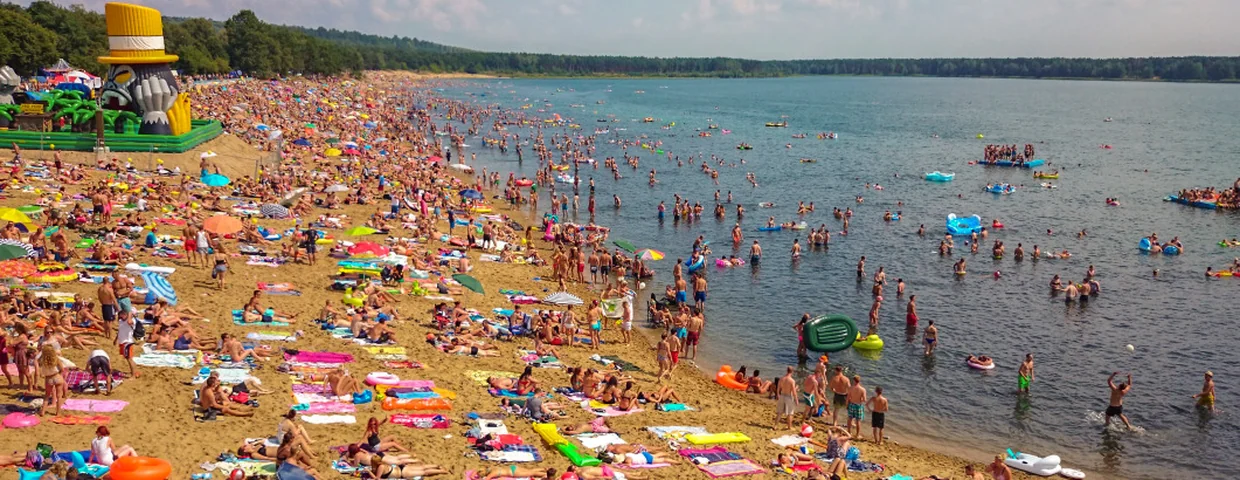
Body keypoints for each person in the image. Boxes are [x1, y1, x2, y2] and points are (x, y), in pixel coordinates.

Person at [37, 343, 65, 416]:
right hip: (57, 376)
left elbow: (40, 369)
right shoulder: (56, 359)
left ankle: (43, 411)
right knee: (59, 396)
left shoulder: (42, 361)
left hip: (49, 378)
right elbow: (62, 369)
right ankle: (58, 413)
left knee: (47, 395)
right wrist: (60, 375)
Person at [774, 366, 797, 430]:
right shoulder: (792, 380)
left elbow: (778, 388)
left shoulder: (782, 379)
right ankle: (789, 427)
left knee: (779, 412)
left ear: (787, 370)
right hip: (788, 396)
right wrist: (796, 399)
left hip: (782, 395)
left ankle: (775, 425)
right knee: (790, 413)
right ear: (792, 371)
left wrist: (778, 394)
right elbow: (793, 391)